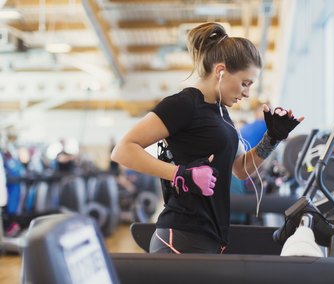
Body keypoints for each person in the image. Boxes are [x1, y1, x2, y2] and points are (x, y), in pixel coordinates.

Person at [111, 22, 304, 254]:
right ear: (221, 71)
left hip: (211, 234)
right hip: (180, 235)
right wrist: (180, 174)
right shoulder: (184, 104)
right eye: (245, 83)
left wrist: (272, 138)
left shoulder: (221, 112)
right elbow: (122, 150)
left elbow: (240, 169)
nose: (247, 93)